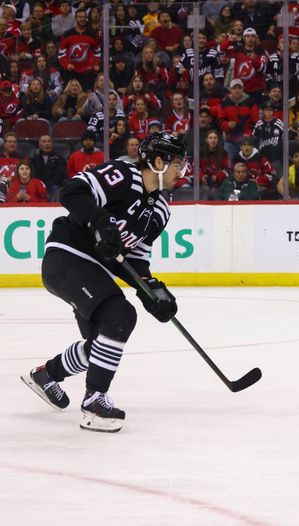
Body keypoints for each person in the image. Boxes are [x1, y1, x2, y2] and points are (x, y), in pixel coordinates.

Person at [20, 132, 187, 433]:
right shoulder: (124, 175)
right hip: (67, 256)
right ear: (158, 162)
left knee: (101, 344)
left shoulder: (161, 210)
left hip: (94, 271)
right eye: (177, 163)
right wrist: (99, 220)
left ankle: (47, 375)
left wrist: (151, 290)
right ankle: (94, 402)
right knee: (120, 314)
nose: (182, 170)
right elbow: (71, 192)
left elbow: (135, 259)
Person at [31, 134, 67, 201]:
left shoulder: (59, 159)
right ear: (39, 145)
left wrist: (45, 185)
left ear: (52, 144)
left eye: (49, 141)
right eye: (44, 142)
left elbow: (59, 177)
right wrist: (39, 185)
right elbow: (33, 175)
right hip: (37, 186)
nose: (47, 143)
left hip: (53, 186)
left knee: (56, 190)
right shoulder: (34, 160)